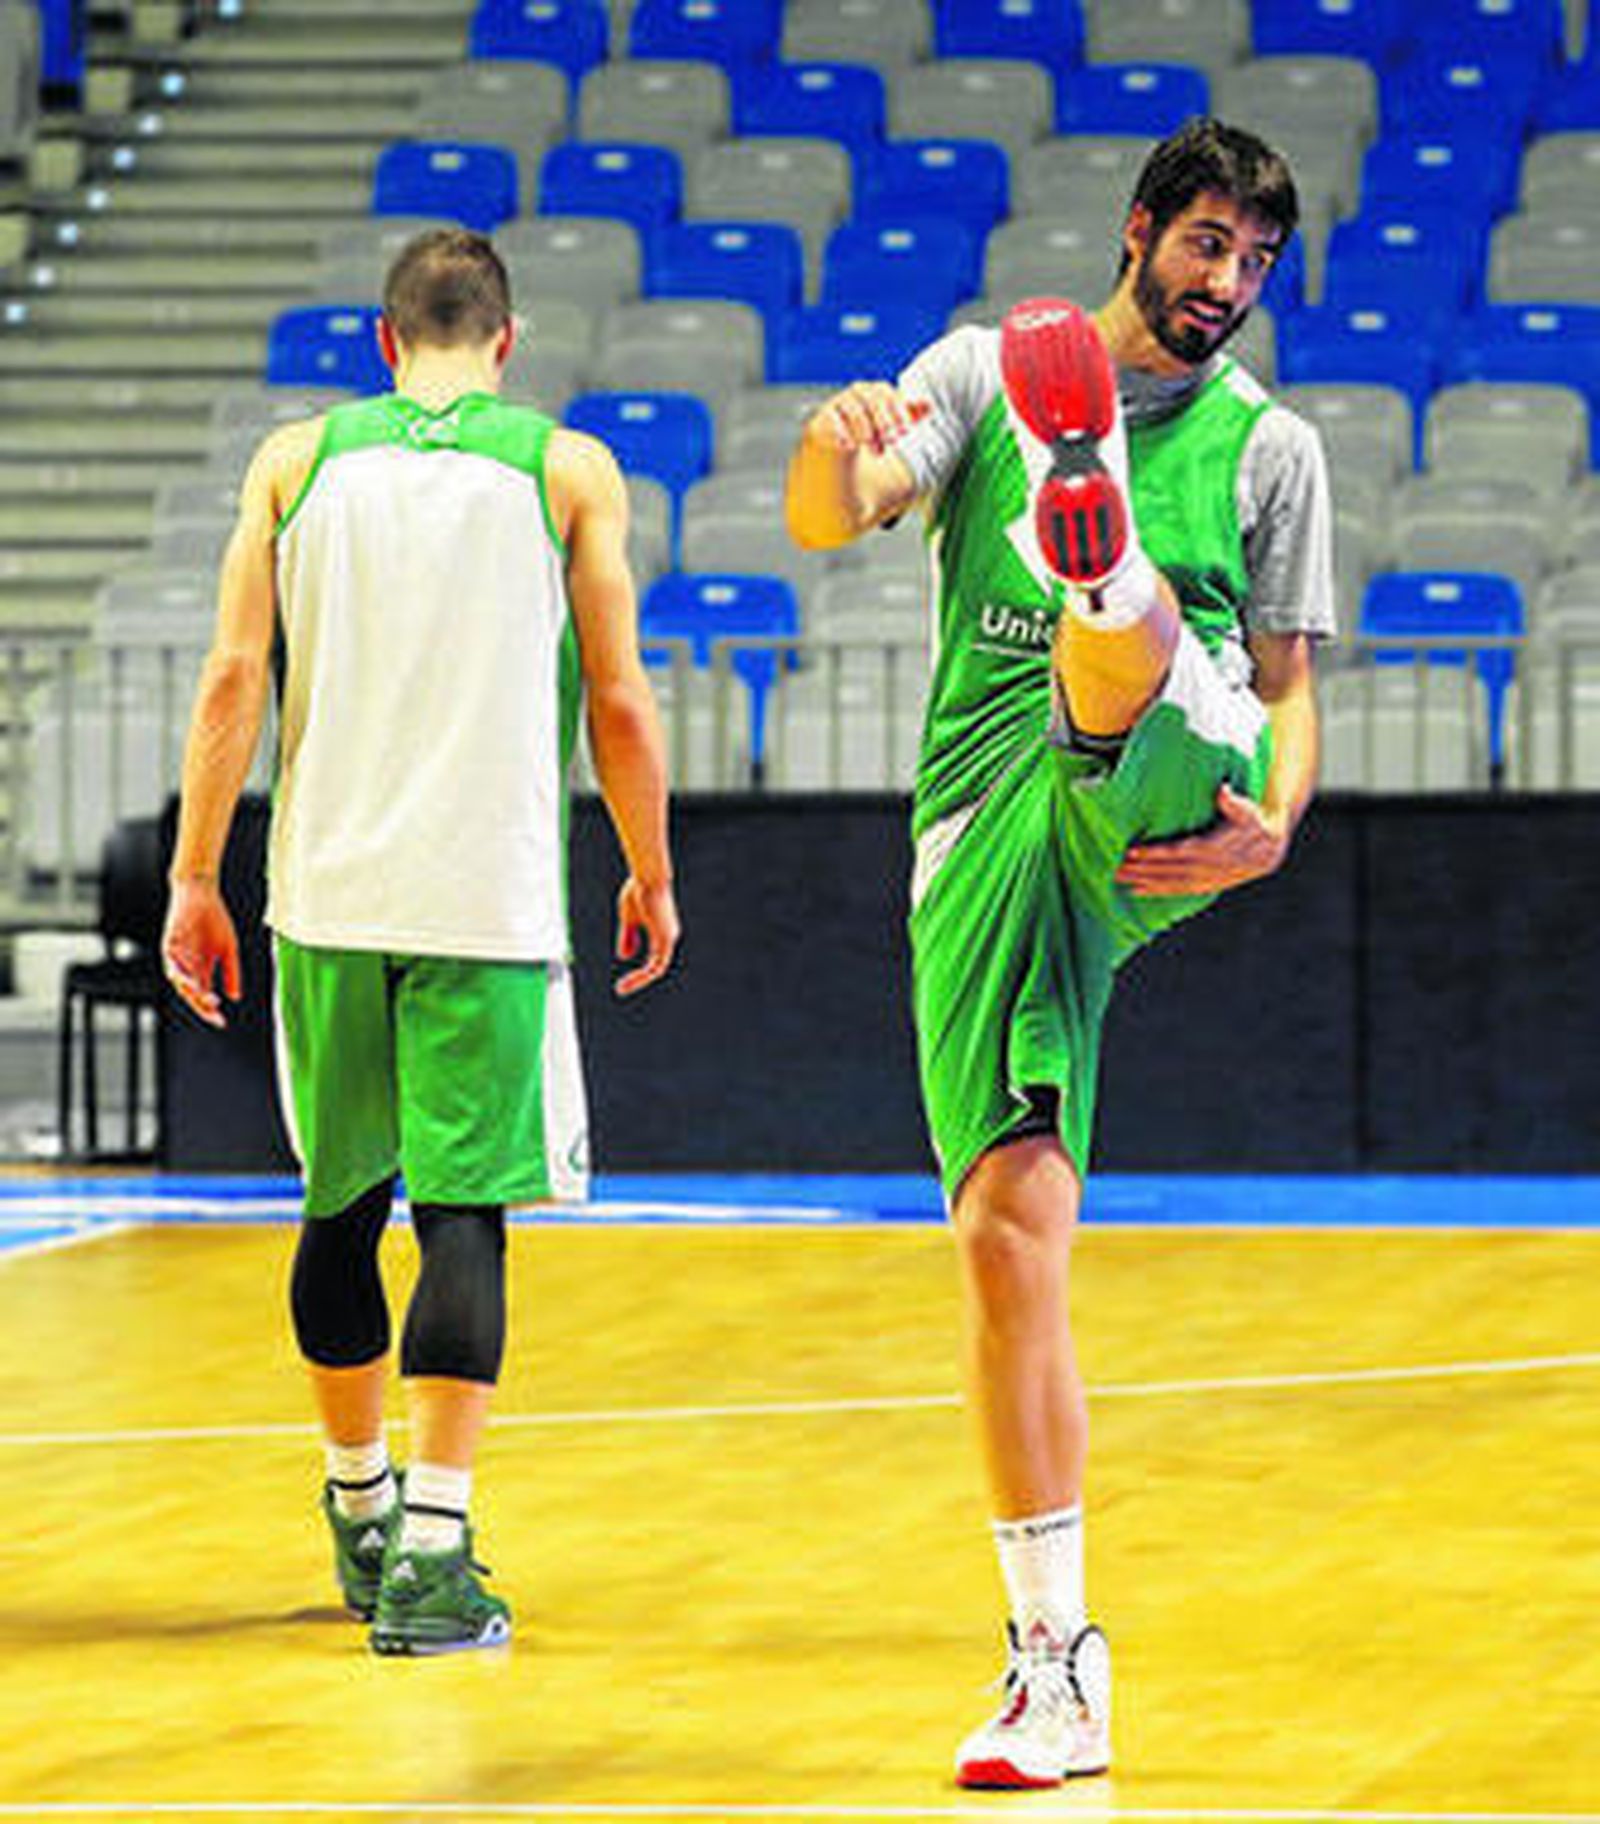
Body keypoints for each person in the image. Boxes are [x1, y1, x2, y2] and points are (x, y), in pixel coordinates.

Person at [785, 118, 1333, 1785]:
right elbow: (831, 516)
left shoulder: (1273, 452)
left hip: (1175, 786)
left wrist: (1280, 820)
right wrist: (832, 434)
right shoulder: (969, 372)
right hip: (982, 828)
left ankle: (1111, 587)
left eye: (1252, 262)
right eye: (1206, 247)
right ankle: (1054, 1666)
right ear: (1141, 229)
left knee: (1132, 696)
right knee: (1007, 1238)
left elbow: (1299, 695)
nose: (1224, 284)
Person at [161, 228, 680, 1656]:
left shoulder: (296, 461)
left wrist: (195, 874)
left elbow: (230, 680)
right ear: (505, 344)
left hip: (324, 889)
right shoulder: (566, 468)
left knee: (337, 1210)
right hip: (485, 897)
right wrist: (648, 865)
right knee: (464, 1217)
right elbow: (621, 702)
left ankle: (363, 1510)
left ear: (385, 345)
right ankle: (437, 1562)